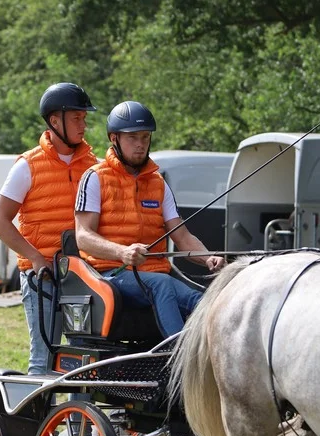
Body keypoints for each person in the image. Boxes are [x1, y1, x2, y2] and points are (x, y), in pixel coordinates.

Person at [74, 100, 224, 337]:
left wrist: (208, 258)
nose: (140, 144)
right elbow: (83, 237)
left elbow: (182, 236)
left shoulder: (158, 183)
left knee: (201, 300)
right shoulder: (94, 178)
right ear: (114, 138)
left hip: (155, 274)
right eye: (133, 137)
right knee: (162, 285)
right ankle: (178, 358)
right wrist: (122, 252)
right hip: (110, 274)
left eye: (145, 137)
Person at [0, 82, 99, 374]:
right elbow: (0, 221)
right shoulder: (27, 165)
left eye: (84, 118)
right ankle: (39, 419)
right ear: (55, 120)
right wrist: (36, 258)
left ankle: (79, 420)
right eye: (77, 118)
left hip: (82, 277)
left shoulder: (94, 166)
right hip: (44, 277)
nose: (84, 125)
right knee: (43, 359)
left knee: (84, 361)